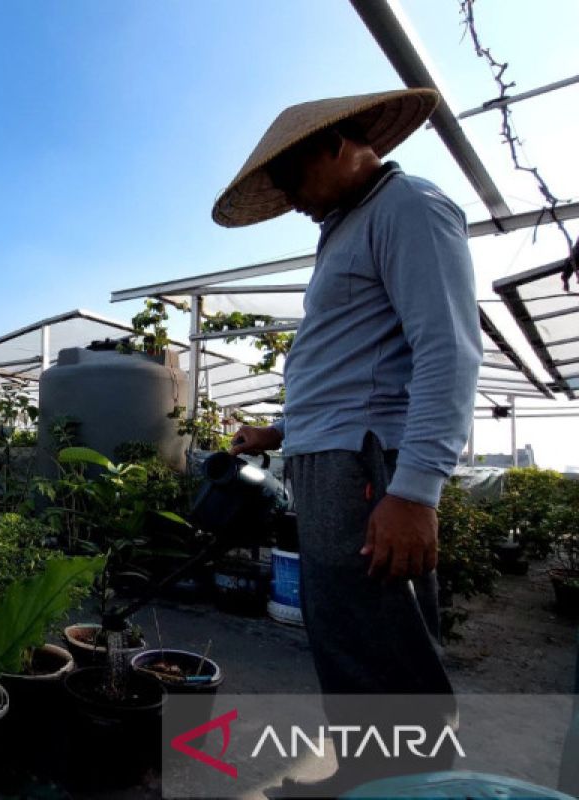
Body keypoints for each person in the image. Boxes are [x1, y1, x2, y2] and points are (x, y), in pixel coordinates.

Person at [212, 88, 482, 795]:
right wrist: (280, 430)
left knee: (384, 644)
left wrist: (414, 490)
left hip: (369, 466)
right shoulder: (350, 226)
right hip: (333, 456)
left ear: (334, 145)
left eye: (292, 179)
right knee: (348, 636)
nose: (291, 199)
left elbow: (448, 351)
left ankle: (416, 787)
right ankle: (366, 777)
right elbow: (353, 361)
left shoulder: (409, 208)